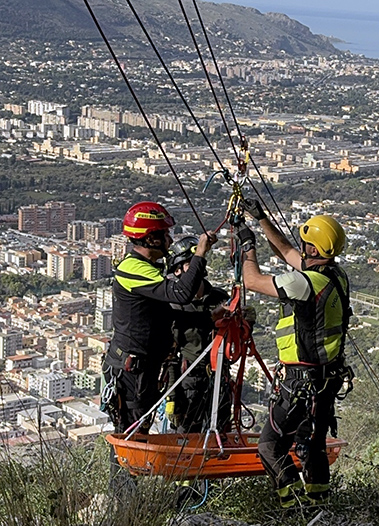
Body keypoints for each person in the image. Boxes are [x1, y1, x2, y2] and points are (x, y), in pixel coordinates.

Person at [237, 198, 351, 508]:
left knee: (270, 446)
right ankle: (319, 506)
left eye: (306, 244)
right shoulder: (335, 276)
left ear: (314, 250)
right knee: (314, 445)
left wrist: (247, 247)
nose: (301, 248)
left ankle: (293, 507)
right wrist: (261, 221)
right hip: (326, 380)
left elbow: (252, 280)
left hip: (301, 383)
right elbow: (287, 251)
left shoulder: (304, 284)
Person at [103, 202, 215, 437]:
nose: (170, 240)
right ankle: (124, 475)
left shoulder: (146, 267)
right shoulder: (134, 268)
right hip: (133, 371)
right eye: (165, 234)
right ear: (151, 239)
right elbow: (181, 294)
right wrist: (200, 253)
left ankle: (131, 473)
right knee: (131, 433)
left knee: (137, 428)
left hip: (142, 369)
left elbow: (160, 312)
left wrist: (211, 315)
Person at [164, 237, 231, 435]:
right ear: (177, 270)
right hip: (188, 380)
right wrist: (172, 397)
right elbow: (170, 357)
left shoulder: (219, 297)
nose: (196, 266)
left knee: (221, 433)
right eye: (189, 263)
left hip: (219, 376)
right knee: (186, 435)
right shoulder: (173, 305)